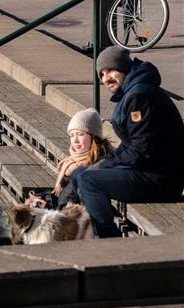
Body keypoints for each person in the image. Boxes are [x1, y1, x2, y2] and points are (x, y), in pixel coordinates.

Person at [71, 46, 184, 238]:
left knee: (89, 180)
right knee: (80, 173)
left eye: (111, 70)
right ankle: (79, 225)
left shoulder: (139, 97)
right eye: (102, 74)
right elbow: (130, 144)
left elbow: (141, 149)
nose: (106, 78)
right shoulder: (132, 92)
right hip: (149, 171)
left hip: (162, 180)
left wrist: (104, 165)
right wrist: (103, 163)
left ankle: (109, 239)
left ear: (124, 68)